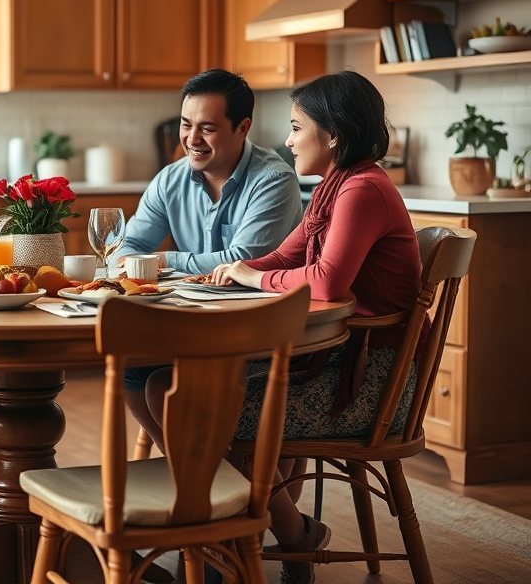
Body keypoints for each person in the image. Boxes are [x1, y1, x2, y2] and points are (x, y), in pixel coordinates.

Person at [174, 70, 422, 584]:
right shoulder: (335, 188)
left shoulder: (363, 191)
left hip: (371, 382)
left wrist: (248, 273)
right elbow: (285, 257)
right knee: (166, 385)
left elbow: (328, 283)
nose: (286, 140)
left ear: (332, 134)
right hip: (336, 361)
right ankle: (266, 534)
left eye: (295, 126)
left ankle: (238, 539)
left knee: (198, 407)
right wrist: (227, 272)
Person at [114, 69, 302, 450]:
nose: (192, 139)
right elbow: (126, 247)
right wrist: (142, 258)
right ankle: (198, 480)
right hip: (190, 327)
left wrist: (160, 260)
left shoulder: (274, 180)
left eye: (207, 128)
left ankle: (204, 483)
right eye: (186, 125)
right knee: (133, 372)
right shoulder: (170, 180)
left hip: (260, 332)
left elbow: (242, 260)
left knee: (163, 386)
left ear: (242, 127)